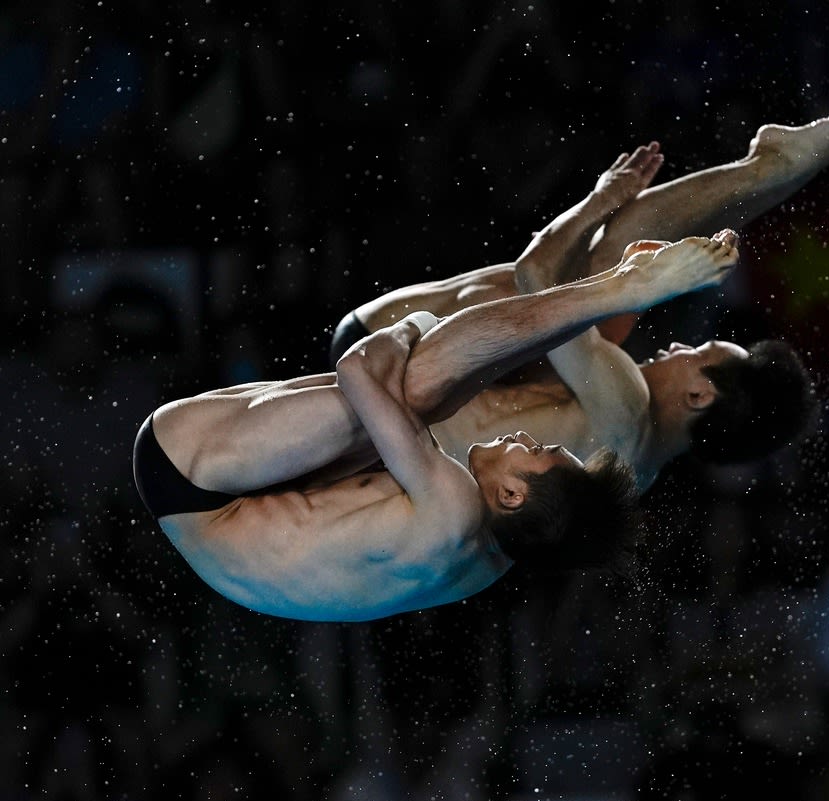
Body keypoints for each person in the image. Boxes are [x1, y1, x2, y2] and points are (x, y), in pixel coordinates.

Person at [133, 228, 740, 622]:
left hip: (191, 472)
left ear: (511, 493)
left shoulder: (453, 506)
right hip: (222, 525)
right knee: (426, 395)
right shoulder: (487, 561)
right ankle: (612, 294)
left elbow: (357, 368)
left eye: (540, 450)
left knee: (418, 385)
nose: (528, 438)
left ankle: (610, 290)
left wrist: (412, 325)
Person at [331, 110, 829, 489]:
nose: (677, 345)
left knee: (601, 278)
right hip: (389, 424)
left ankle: (768, 168)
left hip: (376, 368)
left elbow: (533, 277)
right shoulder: (635, 467)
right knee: (611, 294)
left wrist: (598, 200)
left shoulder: (625, 408)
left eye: (696, 353)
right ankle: (775, 170)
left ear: (700, 396)